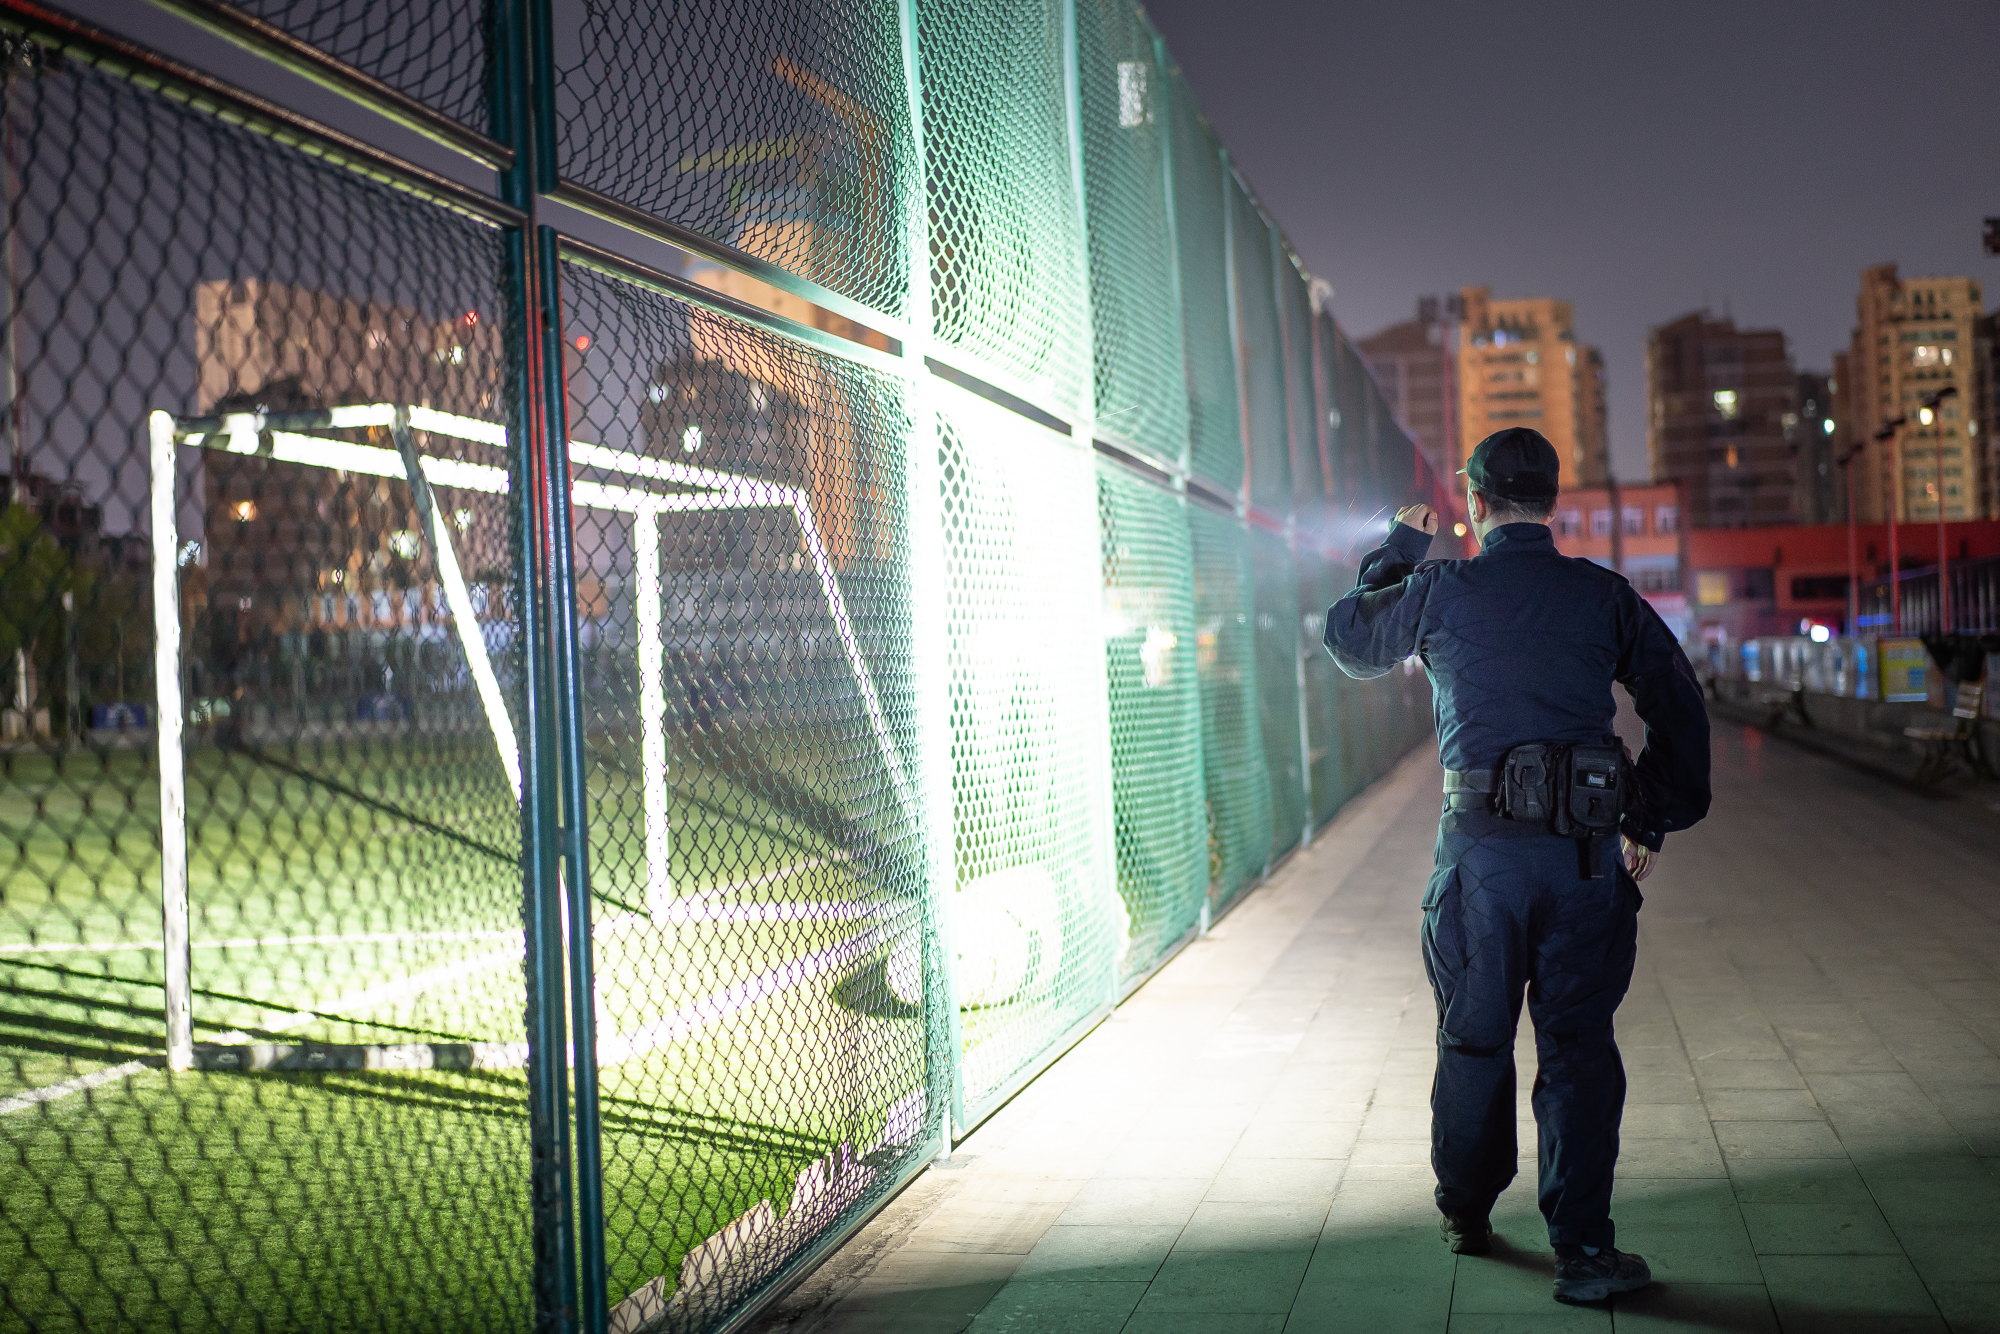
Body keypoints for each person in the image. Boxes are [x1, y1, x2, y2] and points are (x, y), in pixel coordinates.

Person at [1323, 427, 1710, 1306]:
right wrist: (1648, 811)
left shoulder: (1441, 589)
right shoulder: (1603, 597)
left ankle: (1466, 1212)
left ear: (1474, 502)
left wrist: (1397, 547)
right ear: (1553, 502)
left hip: (1480, 862)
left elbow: (1351, 640)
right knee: (1577, 1048)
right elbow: (1680, 706)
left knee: (1473, 1038)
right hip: (1583, 860)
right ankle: (1582, 1251)